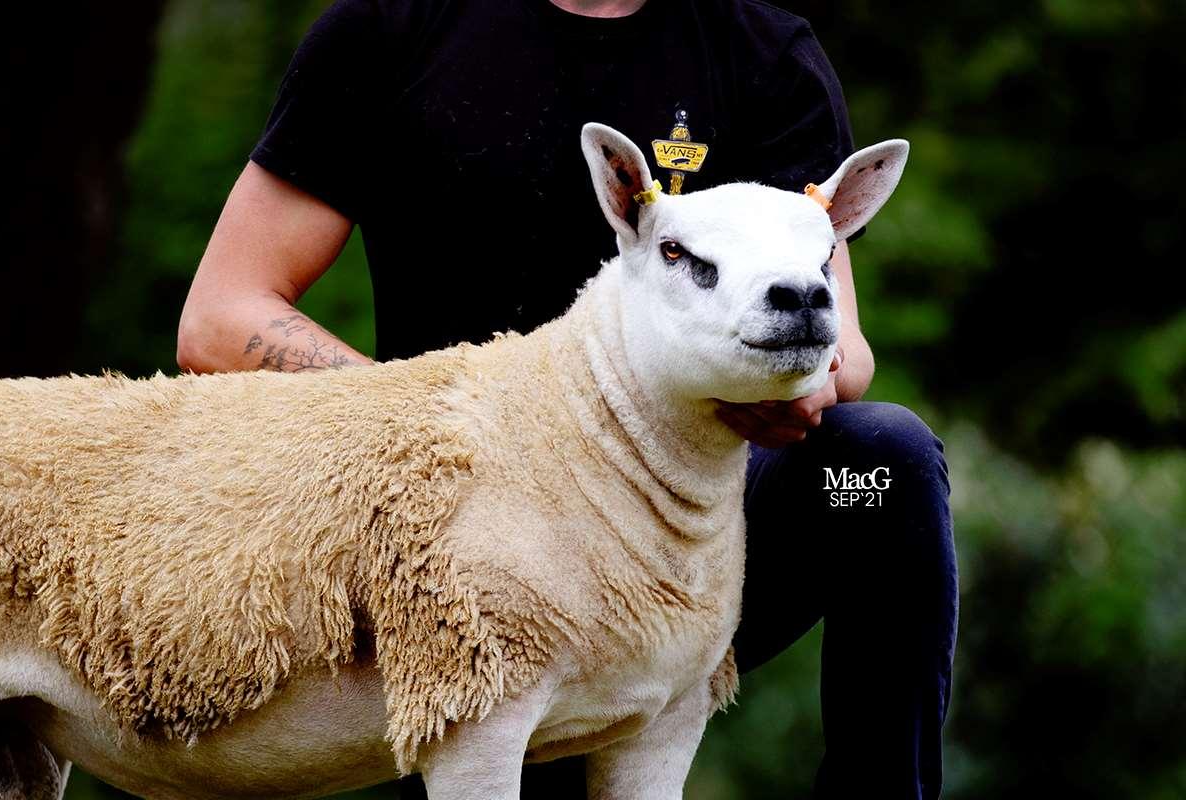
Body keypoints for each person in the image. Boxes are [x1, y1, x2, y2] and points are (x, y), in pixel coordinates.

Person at [175, 0, 957, 796]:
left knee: (881, 472)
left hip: (685, 543)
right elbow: (220, 317)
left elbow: (844, 350)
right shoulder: (388, 27)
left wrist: (793, 381)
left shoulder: (761, 48)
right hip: (457, 561)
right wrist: (429, 424)